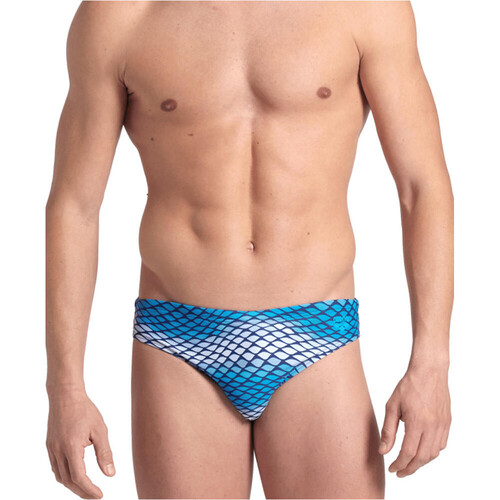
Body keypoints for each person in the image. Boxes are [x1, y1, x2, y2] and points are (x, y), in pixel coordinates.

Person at [45, 1, 453, 499]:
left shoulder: (365, 8)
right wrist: (65, 390)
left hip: (317, 330)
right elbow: (75, 206)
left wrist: (431, 366)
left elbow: (422, 187)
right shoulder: (119, 14)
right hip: (179, 338)